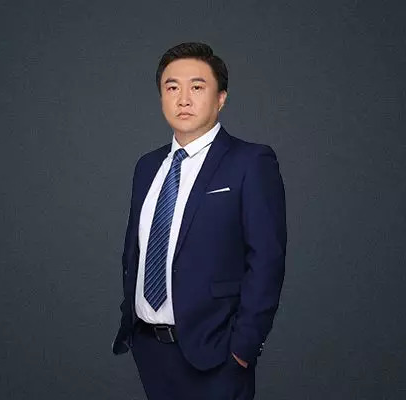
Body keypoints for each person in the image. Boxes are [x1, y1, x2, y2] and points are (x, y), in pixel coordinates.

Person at [112, 42, 287, 400]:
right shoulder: (147, 166)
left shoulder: (250, 162)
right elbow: (136, 249)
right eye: (172, 87)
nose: (183, 99)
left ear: (221, 98)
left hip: (216, 353)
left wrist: (243, 347)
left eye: (197, 87)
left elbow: (267, 259)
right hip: (150, 349)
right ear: (161, 97)